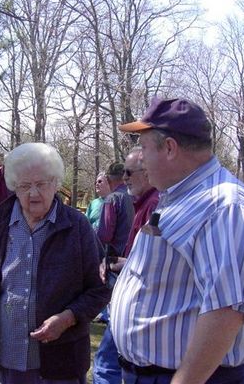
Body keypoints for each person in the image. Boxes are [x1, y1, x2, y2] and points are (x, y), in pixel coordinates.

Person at [110, 97, 244, 384]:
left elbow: (225, 311)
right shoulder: (177, 196)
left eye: (144, 148)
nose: (140, 158)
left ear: (170, 148)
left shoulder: (225, 206)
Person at [0, 142, 110, 384]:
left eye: (41, 184)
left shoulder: (78, 228)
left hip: (61, 365)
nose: (33, 193)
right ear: (13, 187)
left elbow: (100, 288)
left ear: (55, 183)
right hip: (9, 363)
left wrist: (68, 318)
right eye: (24, 186)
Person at [92, 147, 159, 384]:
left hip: (130, 284)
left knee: (105, 363)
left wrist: (105, 258)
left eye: (129, 172)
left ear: (147, 172)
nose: (126, 178)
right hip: (124, 270)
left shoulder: (147, 204)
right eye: (123, 173)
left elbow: (104, 234)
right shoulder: (139, 201)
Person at [96, 162, 134, 257]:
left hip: (117, 260)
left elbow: (104, 236)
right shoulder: (137, 196)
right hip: (136, 256)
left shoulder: (112, 199)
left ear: (108, 179)